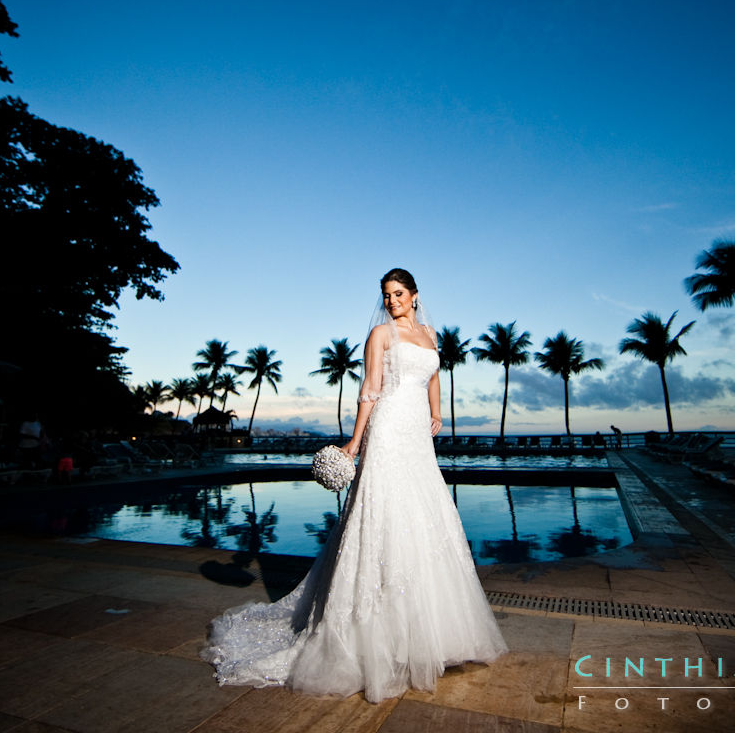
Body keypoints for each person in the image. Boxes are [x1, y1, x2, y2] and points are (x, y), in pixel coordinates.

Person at [200, 268, 508, 703]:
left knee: (426, 517)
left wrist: (437, 414)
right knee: (381, 517)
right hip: (385, 430)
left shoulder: (431, 334)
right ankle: (375, 638)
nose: (392, 301)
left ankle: (431, 636)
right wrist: (355, 440)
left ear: (415, 296)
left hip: (418, 434)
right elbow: (370, 388)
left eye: (399, 294)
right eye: (386, 295)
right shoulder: (380, 335)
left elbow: (434, 376)